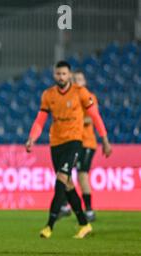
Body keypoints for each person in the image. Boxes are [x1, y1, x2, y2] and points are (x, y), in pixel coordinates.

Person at [25, 61, 112, 239]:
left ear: (69, 75)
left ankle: (49, 225)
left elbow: (95, 116)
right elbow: (40, 119)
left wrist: (104, 139)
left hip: (74, 141)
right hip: (56, 143)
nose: (61, 77)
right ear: (54, 75)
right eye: (58, 74)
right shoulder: (48, 95)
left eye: (64, 74)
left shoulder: (80, 93)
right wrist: (32, 138)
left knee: (61, 180)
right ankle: (84, 224)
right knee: (68, 185)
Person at [59, 71, 99, 222]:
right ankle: (65, 205)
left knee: (82, 175)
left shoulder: (89, 97)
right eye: (75, 79)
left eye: (80, 79)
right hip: (73, 142)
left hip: (87, 142)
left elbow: (91, 118)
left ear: (85, 81)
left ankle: (89, 210)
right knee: (65, 172)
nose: (77, 81)